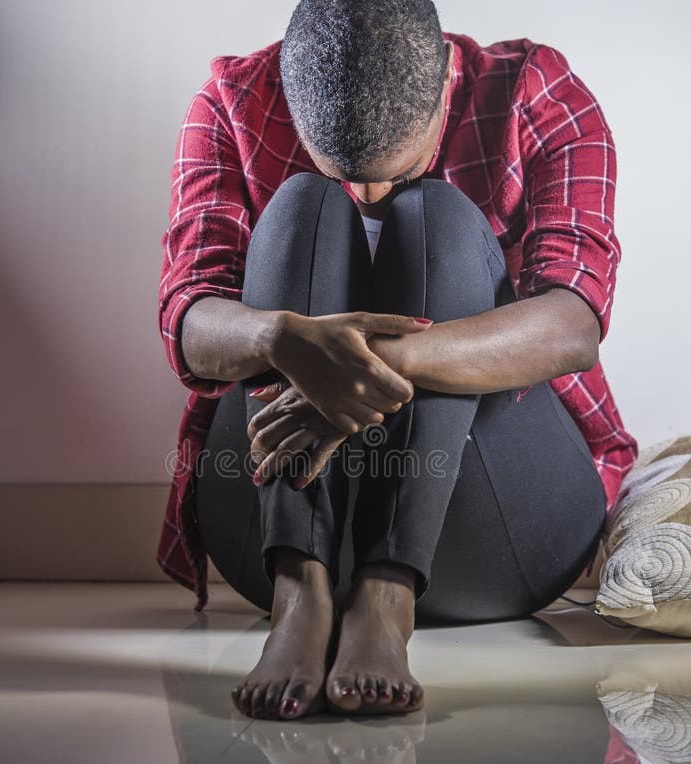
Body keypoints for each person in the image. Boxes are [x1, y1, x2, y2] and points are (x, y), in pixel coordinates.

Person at [156, 0, 638, 720]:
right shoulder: (230, 101)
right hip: (274, 523)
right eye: (345, 170)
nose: (368, 195)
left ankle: (388, 595)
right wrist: (282, 340)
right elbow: (188, 318)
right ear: (289, 90)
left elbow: (573, 322)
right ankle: (303, 593)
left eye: (394, 168)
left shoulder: (537, 92)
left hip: (487, 523)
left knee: (433, 216)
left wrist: (371, 361)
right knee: (301, 208)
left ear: (446, 80)